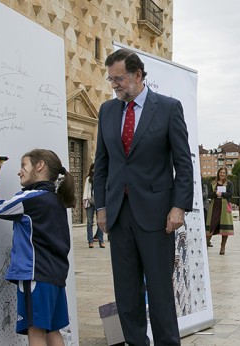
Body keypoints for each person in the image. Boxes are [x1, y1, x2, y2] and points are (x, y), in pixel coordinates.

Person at [93, 48, 193, 345]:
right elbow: (102, 164)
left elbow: (183, 163)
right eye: (111, 80)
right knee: (126, 293)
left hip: (157, 215)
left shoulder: (168, 108)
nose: (115, 85)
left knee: (160, 291)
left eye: (119, 79)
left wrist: (179, 206)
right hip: (119, 215)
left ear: (137, 75)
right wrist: (101, 206)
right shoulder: (107, 111)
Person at [0, 150, 75, 346]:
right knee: (53, 332)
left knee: (36, 333)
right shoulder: (55, 200)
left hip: (35, 276)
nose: (19, 172)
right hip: (55, 276)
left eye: (24, 166)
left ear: (39, 166)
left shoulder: (31, 198)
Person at [205, 167, 234, 254]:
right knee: (211, 225)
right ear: (218, 173)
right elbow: (209, 195)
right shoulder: (213, 183)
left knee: (224, 227)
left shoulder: (229, 183)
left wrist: (222, 194)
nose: (222, 174)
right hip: (214, 207)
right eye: (220, 172)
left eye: (224, 173)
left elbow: (230, 194)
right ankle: (206, 244)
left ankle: (222, 247)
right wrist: (215, 193)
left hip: (224, 207)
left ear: (226, 174)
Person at [83, 163, 105, 248]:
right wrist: (84, 201)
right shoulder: (89, 179)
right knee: (89, 222)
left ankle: (101, 241)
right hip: (90, 202)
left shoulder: (101, 178)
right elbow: (85, 190)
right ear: (92, 169)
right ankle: (90, 241)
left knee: (100, 222)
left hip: (99, 201)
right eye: (94, 168)